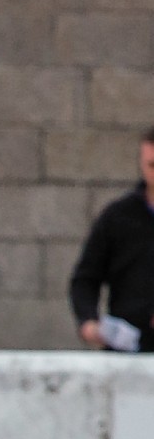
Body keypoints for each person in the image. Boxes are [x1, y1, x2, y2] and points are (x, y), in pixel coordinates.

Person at [69, 125, 154, 352]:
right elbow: (85, 278)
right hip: (126, 349)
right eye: (152, 165)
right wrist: (88, 322)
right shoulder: (118, 217)